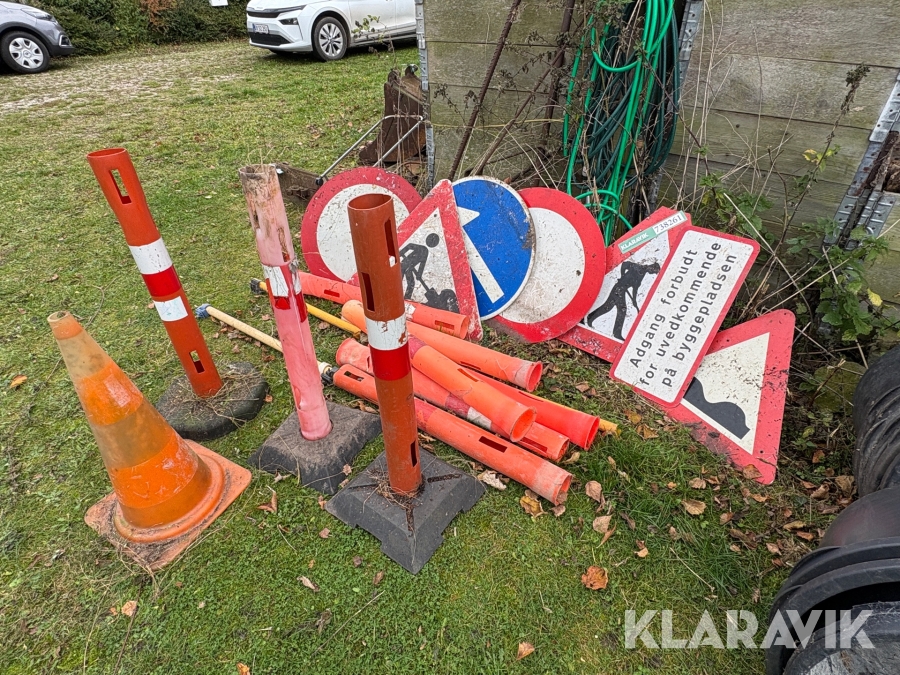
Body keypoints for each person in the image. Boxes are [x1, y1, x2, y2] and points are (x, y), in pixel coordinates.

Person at [585, 260, 661, 340]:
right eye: (654, 271)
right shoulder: (637, 267)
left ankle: (591, 318)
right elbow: (625, 264)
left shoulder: (642, 275)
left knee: (610, 308)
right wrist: (622, 275)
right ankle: (616, 333)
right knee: (618, 309)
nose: (653, 273)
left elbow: (635, 288)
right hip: (618, 289)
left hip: (622, 290)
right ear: (652, 267)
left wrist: (634, 301)